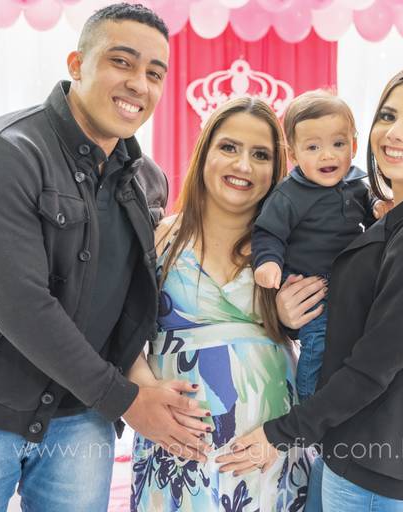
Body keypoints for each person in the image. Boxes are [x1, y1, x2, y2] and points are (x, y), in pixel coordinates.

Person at [0, 4, 210, 511]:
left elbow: (132, 302)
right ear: (77, 64)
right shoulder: (2, 153)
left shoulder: (148, 182)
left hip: (81, 416)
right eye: (121, 62)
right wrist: (126, 401)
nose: (138, 84)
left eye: (154, 73)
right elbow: (22, 305)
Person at [218, 66, 403, 512]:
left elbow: (372, 367)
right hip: (349, 445)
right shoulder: (394, 218)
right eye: (388, 116)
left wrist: (280, 433)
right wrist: (288, 315)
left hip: (376, 461)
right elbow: (350, 319)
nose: (396, 132)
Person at [127, 97, 312, 511]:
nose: (243, 165)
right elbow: (119, 337)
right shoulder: (159, 237)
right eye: (229, 147)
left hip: (270, 447)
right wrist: (146, 397)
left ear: (277, 169)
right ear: (204, 151)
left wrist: (288, 322)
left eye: (260, 155)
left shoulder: (293, 250)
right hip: (178, 448)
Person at [252, 90, 391, 403]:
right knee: (318, 344)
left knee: (359, 342)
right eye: (313, 147)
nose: (327, 156)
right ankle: (310, 402)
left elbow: (368, 209)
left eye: (338, 144)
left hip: (351, 284)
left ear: (353, 146)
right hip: (313, 289)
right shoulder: (289, 194)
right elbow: (268, 233)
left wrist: (378, 207)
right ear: (293, 153)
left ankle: (353, 397)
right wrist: (268, 262)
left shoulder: (357, 183)